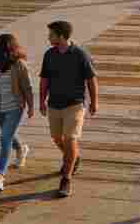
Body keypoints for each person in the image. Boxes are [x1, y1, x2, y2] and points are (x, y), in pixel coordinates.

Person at [39, 20, 98, 198]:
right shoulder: (49, 54)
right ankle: (73, 158)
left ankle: (66, 178)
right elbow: (44, 79)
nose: (48, 38)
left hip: (75, 104)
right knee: (57, 138)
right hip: (54, 104)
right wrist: (41, 101)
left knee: (70, 138)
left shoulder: (80, 54)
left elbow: (91, 79)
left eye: (51, 35)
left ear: (61, 36)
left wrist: (94, 102)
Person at [0, 34, 34, 192]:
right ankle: (21, 148)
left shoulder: (19, 64)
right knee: (8, 135)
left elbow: (27, 87)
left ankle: (0, 176)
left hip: (15, 107)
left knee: (5, 138)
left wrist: (31, 106)